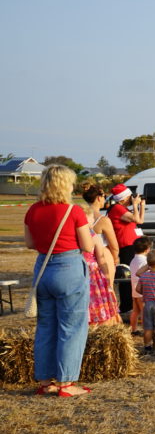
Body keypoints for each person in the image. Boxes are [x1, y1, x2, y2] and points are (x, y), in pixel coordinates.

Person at [24, 165, 94, 397]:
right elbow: (87, 246)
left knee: (45, 327)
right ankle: (66, 383)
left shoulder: (33, 210)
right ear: (66, 185)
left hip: (43, 269)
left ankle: (45, 381)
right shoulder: (73, 211)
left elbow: (30, 243)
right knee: (72, 328)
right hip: (69, 269)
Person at [81, 203, 121, 328]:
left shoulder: (73, 235)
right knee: (97, 298)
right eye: (91, 218)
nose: (93, 220)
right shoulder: (92, 235)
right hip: (93, 272)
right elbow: (101, 258)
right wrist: (107, 277)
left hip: (78, 271)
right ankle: (98, 321)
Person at [106, 183, 145, 264]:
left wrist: (142, 206)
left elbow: (140, 221)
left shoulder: (123, 208)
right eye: (129, 197)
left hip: (133, 244)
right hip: (126, 246)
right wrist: (135, 204)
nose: (132, 198)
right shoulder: (117, 208)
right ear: (122, 200)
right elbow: (136, 219)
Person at [128, 236, 153, 335]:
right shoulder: (144, 261)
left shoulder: (133, 260)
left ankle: (133, 329)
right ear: (147, 249)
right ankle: (145, 330)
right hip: (142, 290)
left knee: (135, 311)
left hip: (134, 289)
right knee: (144, 312)